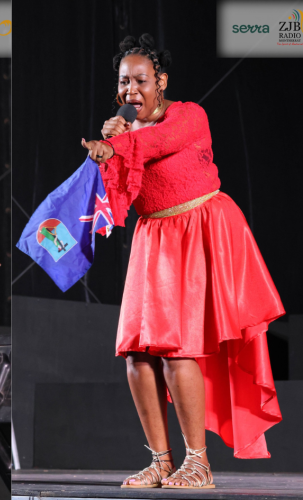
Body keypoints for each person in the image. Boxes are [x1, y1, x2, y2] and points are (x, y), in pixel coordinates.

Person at [82, 34, 283, 490]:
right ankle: (161, 461)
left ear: (162, 81)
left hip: (199, 229)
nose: (131, 89)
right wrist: (107, 158)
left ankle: (199, 464)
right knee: (136, 351)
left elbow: (160, 142)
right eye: (124, 82)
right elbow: (119, 201)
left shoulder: (189, 115)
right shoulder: (126, 134)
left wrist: (119, 146)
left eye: (141, 80)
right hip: (153, 236)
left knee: (177, 347)